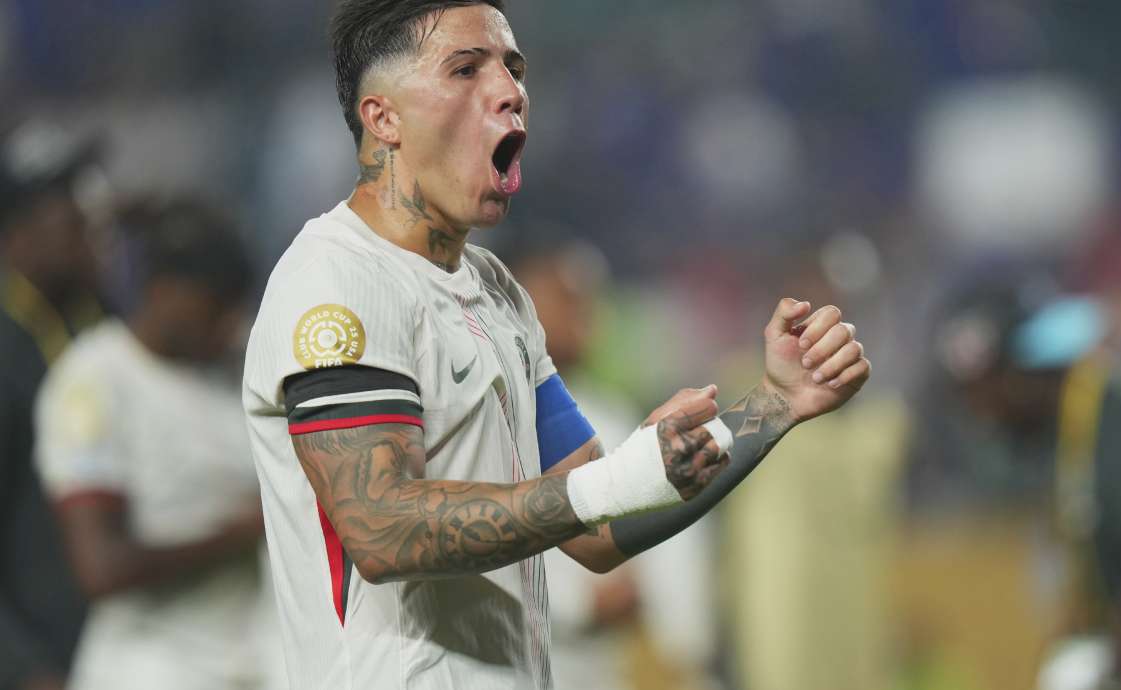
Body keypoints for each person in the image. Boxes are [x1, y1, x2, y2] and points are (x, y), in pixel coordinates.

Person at [242, 2, 872, 688]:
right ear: (384, 118)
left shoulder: (498, 294)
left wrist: (775, 405)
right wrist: (612, 482)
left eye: (513, 68)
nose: (510, 89)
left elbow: (597, 530)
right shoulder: (337, 280)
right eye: (465, 68)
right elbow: (382, 528)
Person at [35, 201, 281, 690]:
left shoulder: (232, 369)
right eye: (214, 308)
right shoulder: (97, 378)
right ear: (165, 291)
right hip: (150, 664)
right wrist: (239, 532)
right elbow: (100, 566)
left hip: (250, 657)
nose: (228, 326)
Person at [932, 279, 1121, 690]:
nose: (982, 415)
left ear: (1021, 371)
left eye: (987, 391)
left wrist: (1110, 669)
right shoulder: (1067, 431)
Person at [503, 231, 720, 690]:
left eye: (586, 299)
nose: (581, 313)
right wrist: (579, 604)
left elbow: (674, 540)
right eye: (562, 296)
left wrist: (678, 638)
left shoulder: (615, 413)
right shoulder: (492, 414)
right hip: (525, 658)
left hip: (614, 664)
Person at [0, 121, 107, 690]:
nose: (86, 223)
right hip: (43, 661)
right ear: (15, 234)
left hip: (120, 651)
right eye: (63, 209)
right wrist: (21, 668)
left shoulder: (103, 320)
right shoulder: (8, 349)